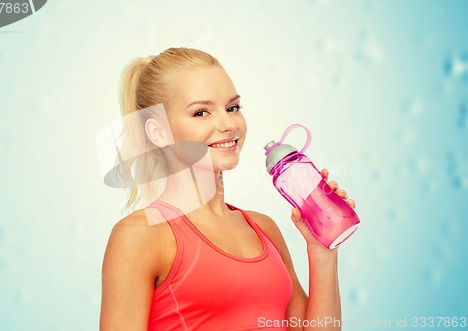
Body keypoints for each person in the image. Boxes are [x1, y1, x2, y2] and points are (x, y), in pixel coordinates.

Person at [99, 47, 356, 330]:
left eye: (232, 108)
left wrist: (323, 252)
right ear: (158, 132)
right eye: (201, 112)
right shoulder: (140, 235)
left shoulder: (263, 228)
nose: (228, 124)